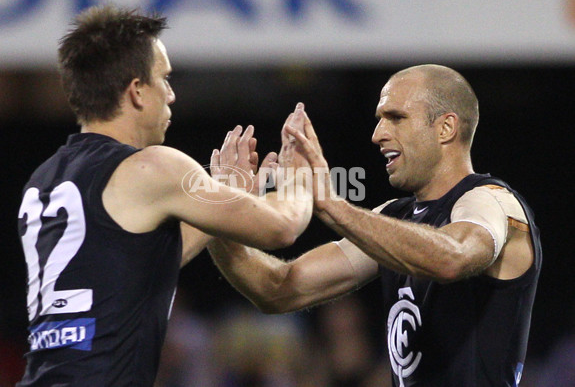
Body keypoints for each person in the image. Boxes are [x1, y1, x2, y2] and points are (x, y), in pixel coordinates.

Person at [16, 5, 313, 386]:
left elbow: (138, 266)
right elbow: (281, 228)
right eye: (165, 79)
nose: (171, 95)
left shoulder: (44, 180)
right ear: (137, 91)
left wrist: (227, 197)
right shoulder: (153, 166)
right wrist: (305, 177)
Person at [209, 64, 542, 387]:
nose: (378, 134)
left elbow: (452, 258)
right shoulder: (394, 217)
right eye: (380, 120)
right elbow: (278, 290)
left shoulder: (492, 201)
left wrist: (330, 204)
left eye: (396, 118)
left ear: (446, 128)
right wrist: (218, 216)